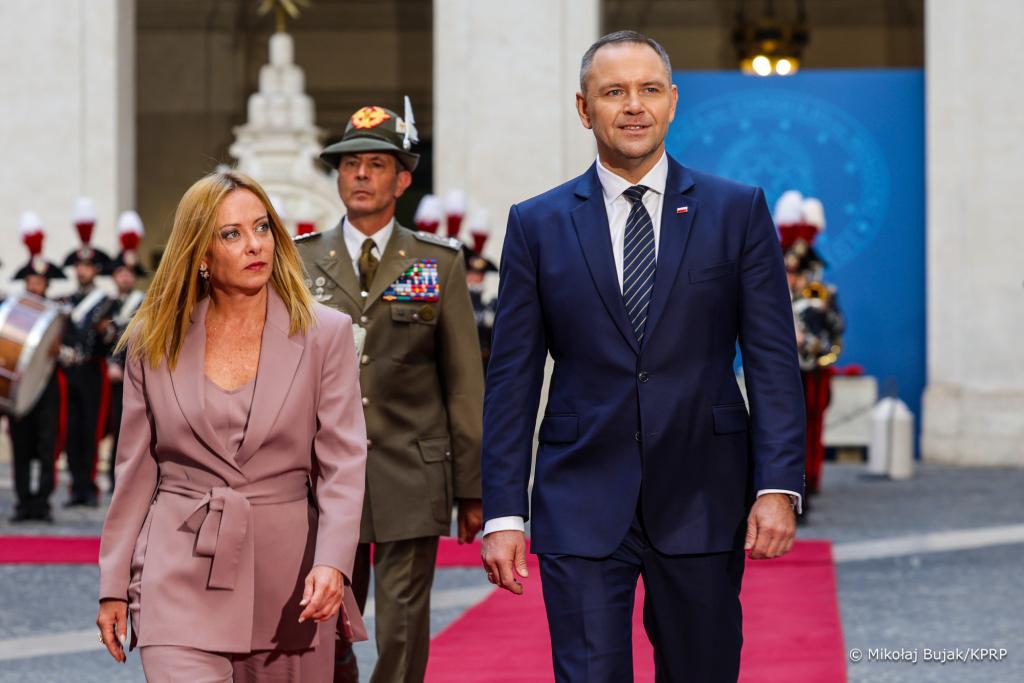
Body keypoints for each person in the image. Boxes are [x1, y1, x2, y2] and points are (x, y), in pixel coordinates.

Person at [479, 31, 806, 683]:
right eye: (614, 92)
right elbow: (512, 379)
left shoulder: (736, 211)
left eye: (649, 89)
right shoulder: (537, 224)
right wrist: (504, 512)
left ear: (673, 102)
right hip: (580, 496)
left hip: (705, 495)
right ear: (584, 108)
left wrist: (777, 485)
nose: (634, 106)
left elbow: (772, 360)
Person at [95, 170, 368, 682]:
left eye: (262, 228)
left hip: (291, 584)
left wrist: (333, 562)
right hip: (177, 573)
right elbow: (134, 473)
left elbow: (343, 465)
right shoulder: (153, 340)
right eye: (231, 234)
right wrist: (114, 585)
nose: (254, 245)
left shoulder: (325, 334)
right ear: (200, 253)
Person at [294, 102, 484, 683]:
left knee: (402, 629)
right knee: (323, 620)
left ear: (402, 180)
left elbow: (463, 382)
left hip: (412, 470)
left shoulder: (436, 263)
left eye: (376, 165)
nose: (360, 175)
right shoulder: (300, 261)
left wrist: (473, 488)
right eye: (350, 164)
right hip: (324, 474)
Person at [7, 212, 66, 523]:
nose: (35, 285)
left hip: (46, 387)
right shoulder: (11, 311)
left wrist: (60, 350)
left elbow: (75, 352)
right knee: (20, 446)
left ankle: (42, 503)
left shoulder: (59, 314)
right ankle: (22, 503)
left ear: (46, 285)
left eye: (40, 282)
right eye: (31, 281)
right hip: (17, 388)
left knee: (46, 446)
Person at [59, 198, 113, 508]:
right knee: (71, 430)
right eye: (79, 266)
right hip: (70, 371)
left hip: (93, 370)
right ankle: (74, 486)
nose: (82, 270)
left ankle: (89, 487)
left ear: (95, 270)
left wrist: (107, 331)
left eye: (87, 266)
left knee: (91, 428)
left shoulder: (105, 302)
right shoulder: (65, 301)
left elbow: (112, 341)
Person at [100, 210, 149, 491]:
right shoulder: (104, 305)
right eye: (121, 273)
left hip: (132, 375)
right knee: (105, 427)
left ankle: (125, 480)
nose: (125, 277)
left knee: (128, 429)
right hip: (104, 376)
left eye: (129, 273)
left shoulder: (143, 303)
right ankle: (109, 479)